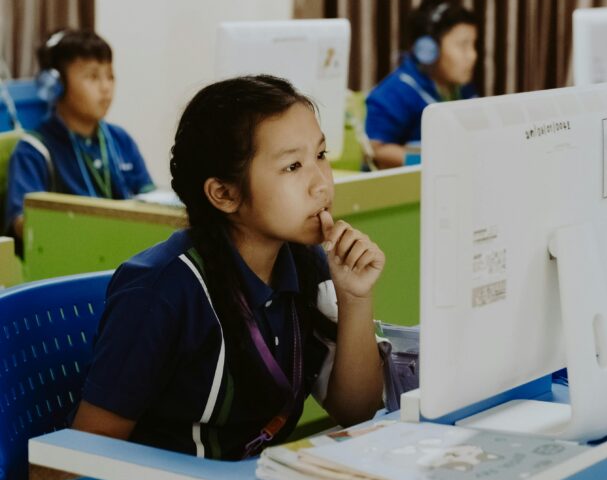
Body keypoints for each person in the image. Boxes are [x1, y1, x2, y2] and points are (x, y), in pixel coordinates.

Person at [71, 75, 386, 459]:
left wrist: (355, 299)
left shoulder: (307, 263)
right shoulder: (161, 291)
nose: (321, 184)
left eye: (320, 155)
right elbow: (85, 456)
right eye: (292, 166)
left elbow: (357, 411)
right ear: (224, 193)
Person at [4, 29, 154, 242]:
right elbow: (22, 223)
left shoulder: (120, 140)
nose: (106, 87)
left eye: (110, 76)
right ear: (56, 85)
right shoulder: (34, 151)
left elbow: (151, 200)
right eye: (93, 77)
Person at [364, 0, 479, 169]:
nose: (472, 55)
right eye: (463, 45)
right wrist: (430, 162)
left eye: (473, 45)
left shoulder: (463, 88)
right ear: (428, 50)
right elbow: (376, 151)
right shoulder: (395, 92)